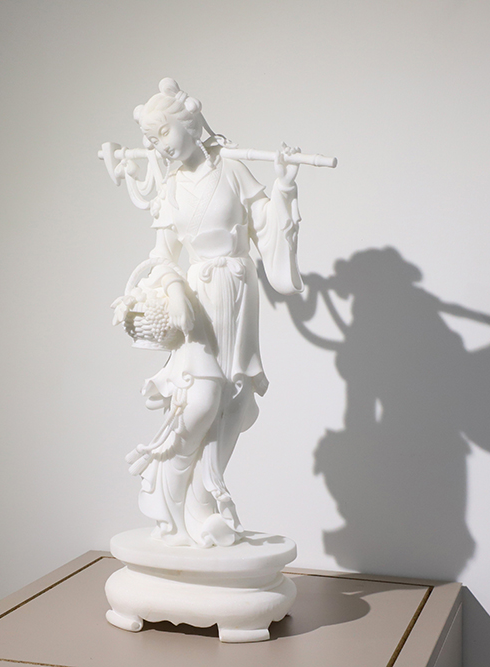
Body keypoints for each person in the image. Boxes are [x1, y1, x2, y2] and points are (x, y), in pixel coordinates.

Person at [108, 79, 304, 547]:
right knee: (200, 398)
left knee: (235, 398)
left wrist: (283, 185)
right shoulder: (171, 188)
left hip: (237, 289)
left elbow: (267, 229)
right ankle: (164, 490)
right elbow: (161, 257)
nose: (159, 147)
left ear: (191, 125)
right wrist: (176, 291)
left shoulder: (232, 170)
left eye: (163, 134)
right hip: (195, 299)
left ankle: (201, 504)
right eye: (150, 139)